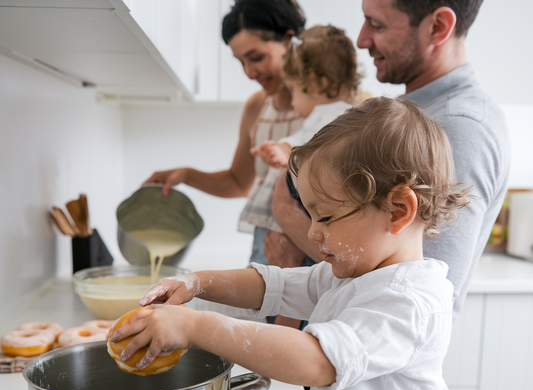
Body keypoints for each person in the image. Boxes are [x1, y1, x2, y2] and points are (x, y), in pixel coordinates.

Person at [110, 97, 480, 390]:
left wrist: (195, 326)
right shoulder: (358, 273)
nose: (312, 232)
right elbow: (276, 286)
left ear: (398, 211)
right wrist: (197, 282)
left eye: (326, 216)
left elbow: (317, 362)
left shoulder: (410, 300)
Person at [270, 0, 510, 321]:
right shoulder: (405, 113)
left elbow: (410, 294)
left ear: (438, 26)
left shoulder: (457, 127)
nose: (361, 39)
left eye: (377, 24)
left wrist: (289, 216)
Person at [143, 0, 307, 270]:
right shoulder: (257, 107)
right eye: (241, 61)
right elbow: (238, 183)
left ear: (288, 39)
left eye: (257, 57)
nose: (249, 72)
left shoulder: (329, 107)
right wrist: (185, 174)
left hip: (314, 257)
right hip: (265, 252)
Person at [244, 24, 369, 236]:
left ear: (319, 83)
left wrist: (283, 151)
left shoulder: (330, 116)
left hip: (296, 226)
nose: (293, 102)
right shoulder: (357, 116)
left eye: (294, 91)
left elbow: (311, 148)